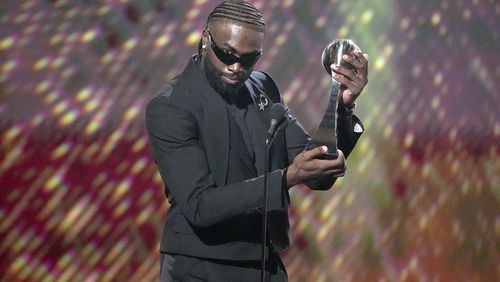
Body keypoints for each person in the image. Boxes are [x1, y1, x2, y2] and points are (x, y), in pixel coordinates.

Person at [145, 1, 368, 281]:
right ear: (205, 40)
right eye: (226, 55)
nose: (236, 67)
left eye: (249, 59)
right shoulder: (171, 106)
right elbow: (200, 205)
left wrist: (341, 106)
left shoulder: (263, 87)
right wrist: (286, 178)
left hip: (264, 265)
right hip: (199, 266)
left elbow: (317, 173)